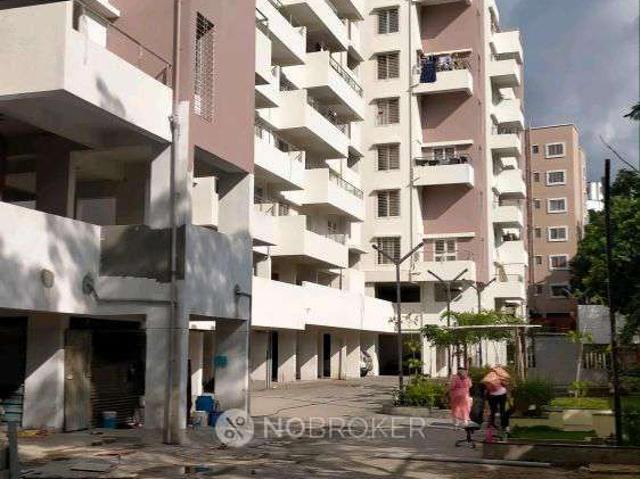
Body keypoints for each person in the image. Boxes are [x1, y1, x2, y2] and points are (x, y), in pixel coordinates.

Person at [482, 365, 511, 432]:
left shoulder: (489, 375)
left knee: (493, 410)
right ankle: (504, 425)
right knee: (502, 410)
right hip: (502, 394)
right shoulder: (502, 375)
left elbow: (486, 385)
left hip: (492, 395)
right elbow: (506, 384)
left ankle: (491, 425)